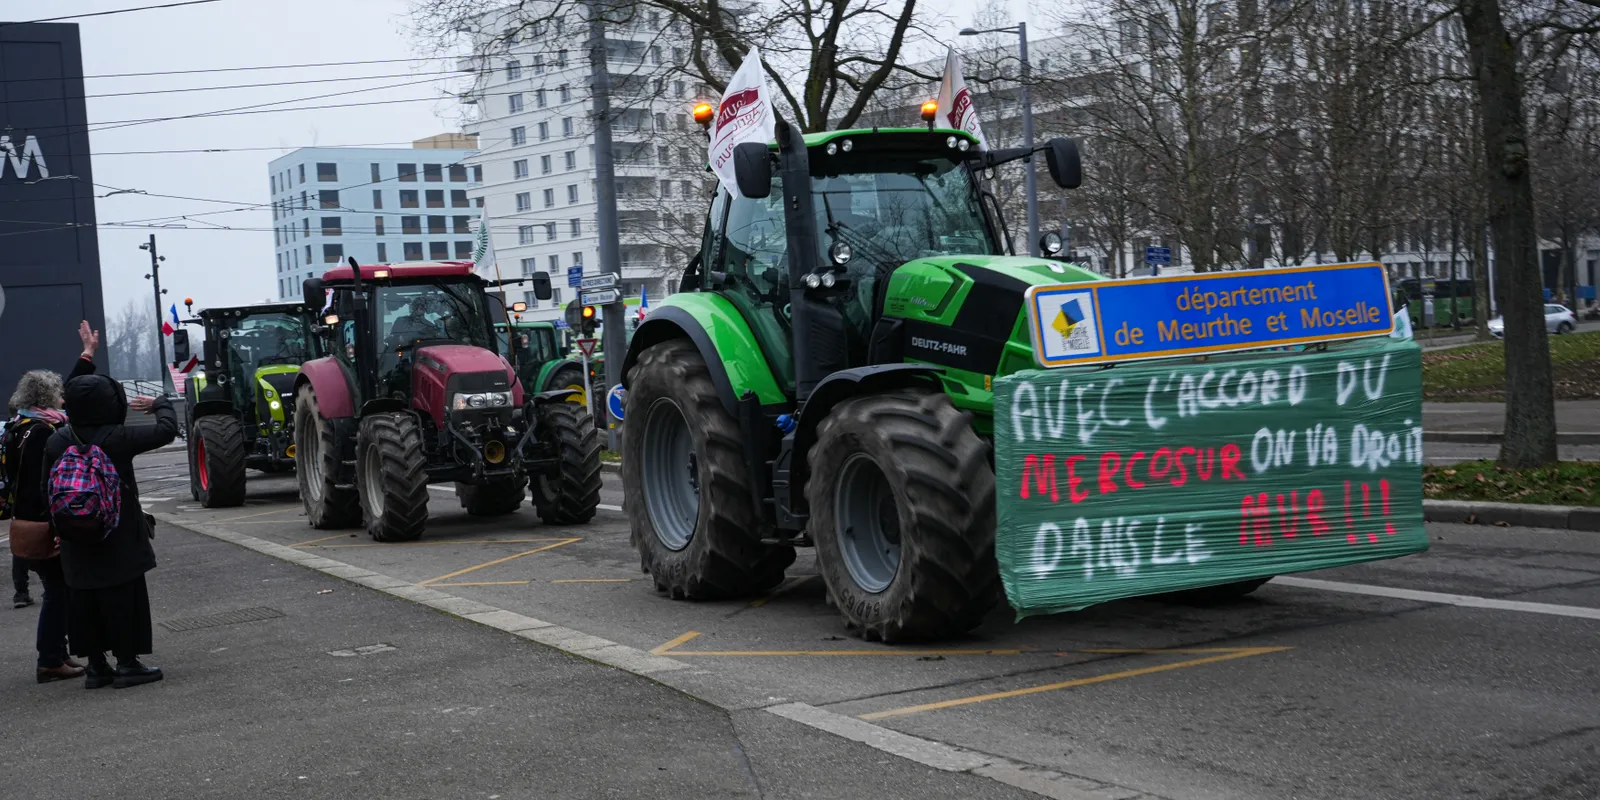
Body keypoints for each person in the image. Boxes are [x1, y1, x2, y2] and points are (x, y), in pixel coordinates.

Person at [45, 321, 177, 689]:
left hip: (73, 534)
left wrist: (56, 531)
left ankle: (98, 667)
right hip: (118, 532)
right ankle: (128, 663)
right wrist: (161, 403)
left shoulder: (58, 441)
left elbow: (46, 490)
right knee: (124, 594)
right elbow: (167, 429)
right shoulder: (116, 438)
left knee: (82, 597)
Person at [3, 370, 82, 682]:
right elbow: (43, 485)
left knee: (58, 590)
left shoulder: (16, 427)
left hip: (24, 520)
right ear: (47, 398)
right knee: (57, 591)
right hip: (41, 523)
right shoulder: (41, 432)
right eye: (59, 395)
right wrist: (58, 527)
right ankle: (49, 659)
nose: (63, 401)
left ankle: (57, 654)